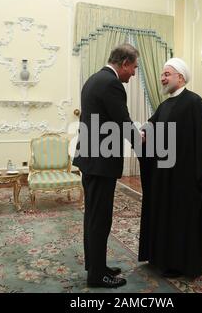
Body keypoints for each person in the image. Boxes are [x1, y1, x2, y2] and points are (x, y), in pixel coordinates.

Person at [138, 58, 202, 278]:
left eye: (167, 74)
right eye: (162, 74)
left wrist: (200, 177)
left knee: (181, 221)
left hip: (185, 178)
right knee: (166, 218)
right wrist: (141, 134)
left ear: (180, 77)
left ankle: (181, 264)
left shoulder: (194, 102)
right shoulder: (164, 105)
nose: (162, 78)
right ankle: (163, 258)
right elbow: (151, 128)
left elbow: (200, 142)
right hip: (165, 176)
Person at [73, 43, 139, 288]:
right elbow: (123, 122)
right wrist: (143, 146)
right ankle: (98, 276)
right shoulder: (111, 84)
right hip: (100, 162)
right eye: (133, 67)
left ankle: (96, 266)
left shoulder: (93, 79)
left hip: (90, 159)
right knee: (100, 219)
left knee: (93, 216)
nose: (133, 73)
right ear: (124, 63)